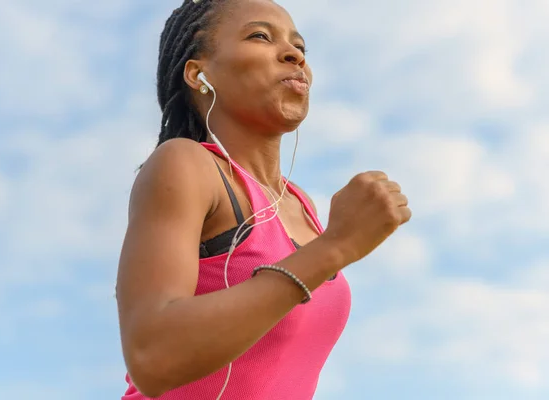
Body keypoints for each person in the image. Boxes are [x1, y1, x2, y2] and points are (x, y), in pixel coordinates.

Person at [115, 0, 411, 399]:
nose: (294, 55)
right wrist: (336, 247)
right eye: (260, 36)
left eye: (300, 47)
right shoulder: (186, 164)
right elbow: (152, 357)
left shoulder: (301, 205)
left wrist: (332, 244)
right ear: (198, 73)